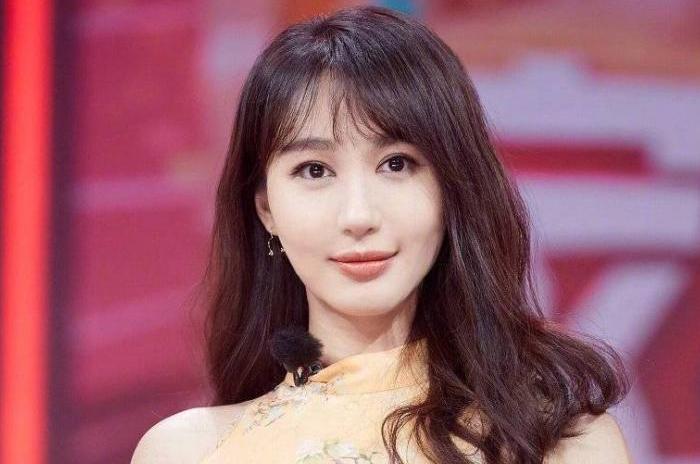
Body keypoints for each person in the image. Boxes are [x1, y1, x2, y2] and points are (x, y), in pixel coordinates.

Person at [131, 5, 632, 463]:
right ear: (267, 209)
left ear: (452, 187)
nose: (358, 215)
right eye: (314, 170)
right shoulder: (188, 451)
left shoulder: (562, 444)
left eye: (396, 164)